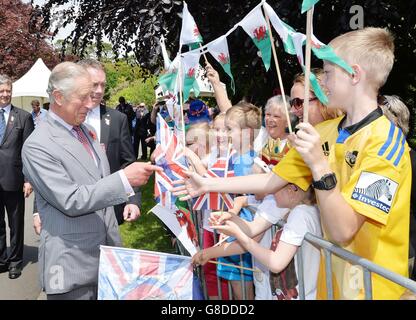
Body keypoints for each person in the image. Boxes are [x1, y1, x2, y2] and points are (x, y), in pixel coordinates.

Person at [173, 27, 410, 300]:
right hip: (331, 286)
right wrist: (207, 184)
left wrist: (319, 166)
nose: (323, 84)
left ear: (355, 75)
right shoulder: (325, 132)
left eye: (328, 73)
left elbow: (344, 231)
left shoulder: (386, 144)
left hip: (374, 291)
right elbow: (271, 180)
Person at [22, 62, 161, 300]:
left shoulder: (85, 130)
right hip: (72, 264)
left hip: (106, 255)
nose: (90, 103)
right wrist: (123, 180)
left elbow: (97, 179)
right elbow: (71, 199)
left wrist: (148, 166)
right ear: (58, 97)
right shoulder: (38, 145)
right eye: (83, 97)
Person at [194, 182, 321, 300]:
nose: (270, 192)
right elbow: (253, 228)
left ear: (291, 190)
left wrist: (239, 235)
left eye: (274, 188)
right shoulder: (296, 208)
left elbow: (276, 262)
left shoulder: (301, 214)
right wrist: (230, 218)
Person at [0, 74, 34, 280]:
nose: (5, 94)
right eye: (1, 91)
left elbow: (29, 153)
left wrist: (28, 179)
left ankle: (15, 261)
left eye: (8, 91)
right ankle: (2, 260)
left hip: (14, 179)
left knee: (16, 224)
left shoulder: (23, 117)